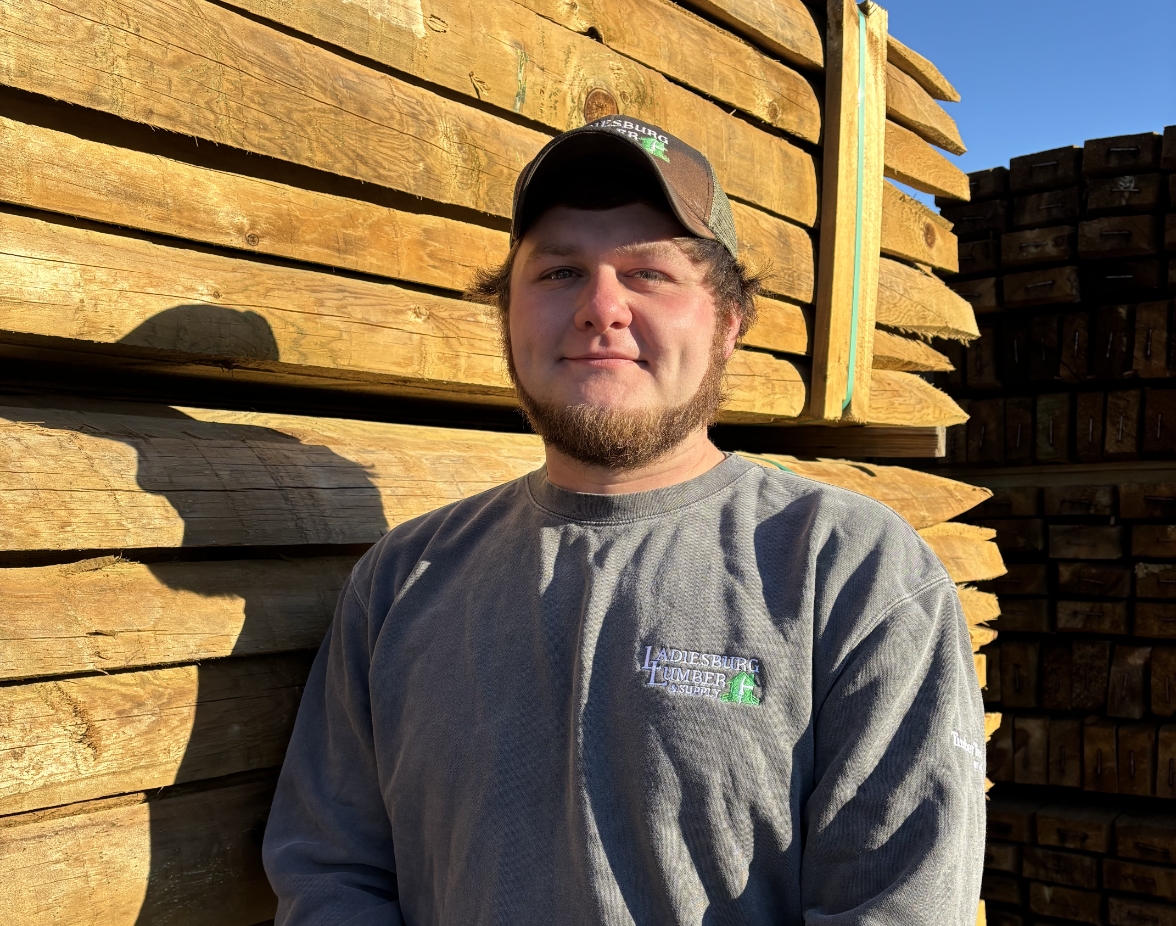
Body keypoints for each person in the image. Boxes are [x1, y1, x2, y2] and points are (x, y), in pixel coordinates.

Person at [262, 116, 986, 925]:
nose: (600, 308)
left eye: (647, 273)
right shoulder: (400, 580)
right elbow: (330, 871)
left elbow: (897, 906)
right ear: (507, 314)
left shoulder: (851, 571)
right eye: (559, 272)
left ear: (729, 322)